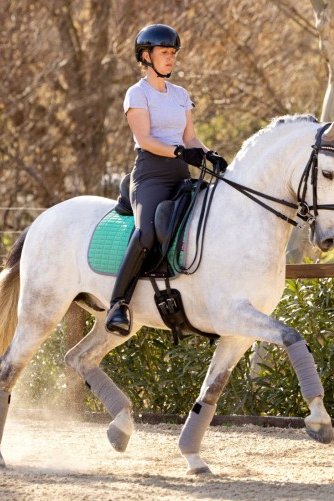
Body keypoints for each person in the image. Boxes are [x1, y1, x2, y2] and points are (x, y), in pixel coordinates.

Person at [106, 24, 227, 336]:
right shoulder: (137, 93)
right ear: (146, 57)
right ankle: (119, 303)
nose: (171, 59)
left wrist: (209, 154)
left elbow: (190, 137)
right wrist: (179, 151)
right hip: (150, 175)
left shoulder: (180, 95)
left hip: (180, 175)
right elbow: (144, 138)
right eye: (165, 53)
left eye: (173, 54)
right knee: (147, 233)